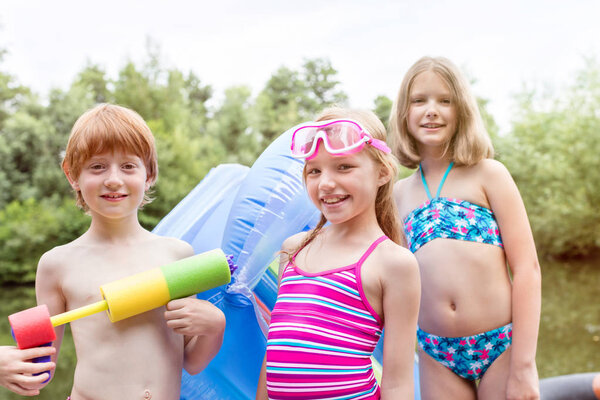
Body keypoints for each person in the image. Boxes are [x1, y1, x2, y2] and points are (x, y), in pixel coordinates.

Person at [35, 103, 226, 399]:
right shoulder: (57, 264)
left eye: (128, 166)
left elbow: (192, 361)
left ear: (149, 173)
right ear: (72, 174)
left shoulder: (177, 256)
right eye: (97, 166)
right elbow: (38, 370)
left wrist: (214, 328)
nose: (113, 179)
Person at [390, 56, 541, 399]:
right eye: (419, 100)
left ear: (462, 111)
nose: (432, 110)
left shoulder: (489, 175)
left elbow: (527, 269)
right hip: (435, 352)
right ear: (404, 113)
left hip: (500, 345)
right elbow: (397, 284)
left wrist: (524, 365)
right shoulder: (398, 194)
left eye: (445, 100)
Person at [256, 108, 421, 399]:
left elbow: (398, 384)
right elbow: (276, 353)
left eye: (344, 167)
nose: (326, 183)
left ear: (382, 172)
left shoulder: (392, 263)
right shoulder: (294, 249)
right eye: (314, 171)